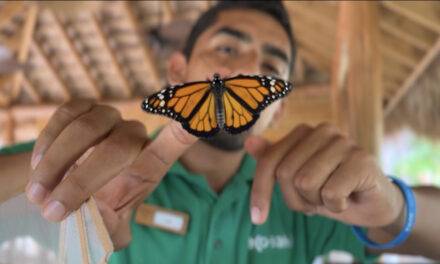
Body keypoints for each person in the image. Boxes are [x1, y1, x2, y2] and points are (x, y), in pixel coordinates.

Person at [1, 1, 439, 263]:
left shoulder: (310, 196)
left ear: (277, 106)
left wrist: (399, 208)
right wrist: (48, 175)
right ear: (177, 74)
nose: (246, 69)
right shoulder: (101, 165)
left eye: (268, 68)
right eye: (226, 48)